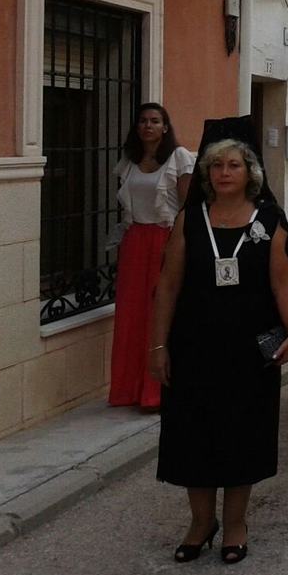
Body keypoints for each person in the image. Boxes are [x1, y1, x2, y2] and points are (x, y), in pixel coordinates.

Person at [150, 120, 288, 565]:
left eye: (233, 164)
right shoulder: (188, 220)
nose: (224, 172)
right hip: (194, 346)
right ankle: (201, 522)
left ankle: (235, 522)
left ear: (250, 171)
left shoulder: (269, 220)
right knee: (194, 435)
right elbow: (168, 286)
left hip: (247, 351)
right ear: (206, 173)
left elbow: (285, 284)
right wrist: (158, 347)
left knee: (242, 436)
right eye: (216, 165)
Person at [110, 103, 194, 410]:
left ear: (165, 127)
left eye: (155, 121)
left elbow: (188, 206)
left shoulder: (179, 158)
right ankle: (127, 389)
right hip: (135, 242)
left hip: (165, 240)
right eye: (143, 121)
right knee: (131, 315)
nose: (148, 126)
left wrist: (179, 246)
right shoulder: (129, 161)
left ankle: (156, 391)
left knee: (159, 312)